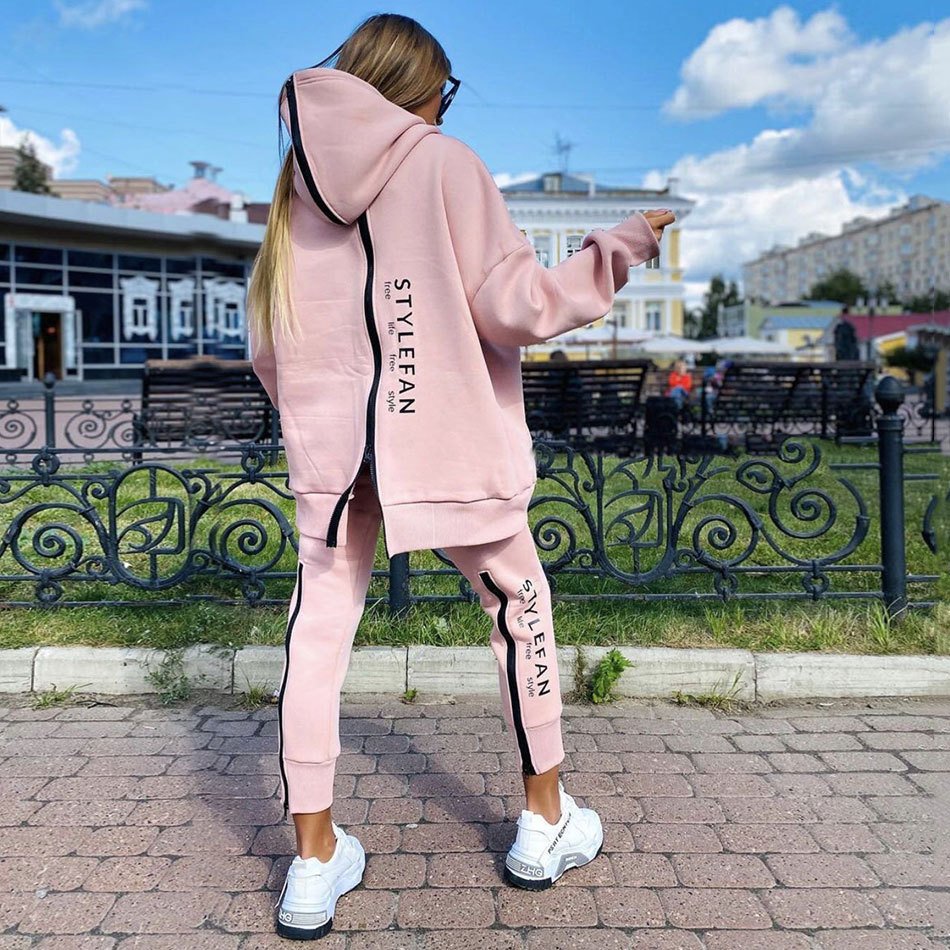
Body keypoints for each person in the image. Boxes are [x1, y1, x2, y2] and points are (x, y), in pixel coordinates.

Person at [247, 13, 672, 941]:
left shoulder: (295, 187)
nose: (446, 105)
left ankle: (312, 862)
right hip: (443, 444)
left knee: (316, 635)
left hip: (335, 457)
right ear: (422, 86)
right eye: (446, 90)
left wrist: (321, 424)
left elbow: (271, 340)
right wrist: (624, 243)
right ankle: (544, 823)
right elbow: (519, 306)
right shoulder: (445, 162)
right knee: (520, 608)